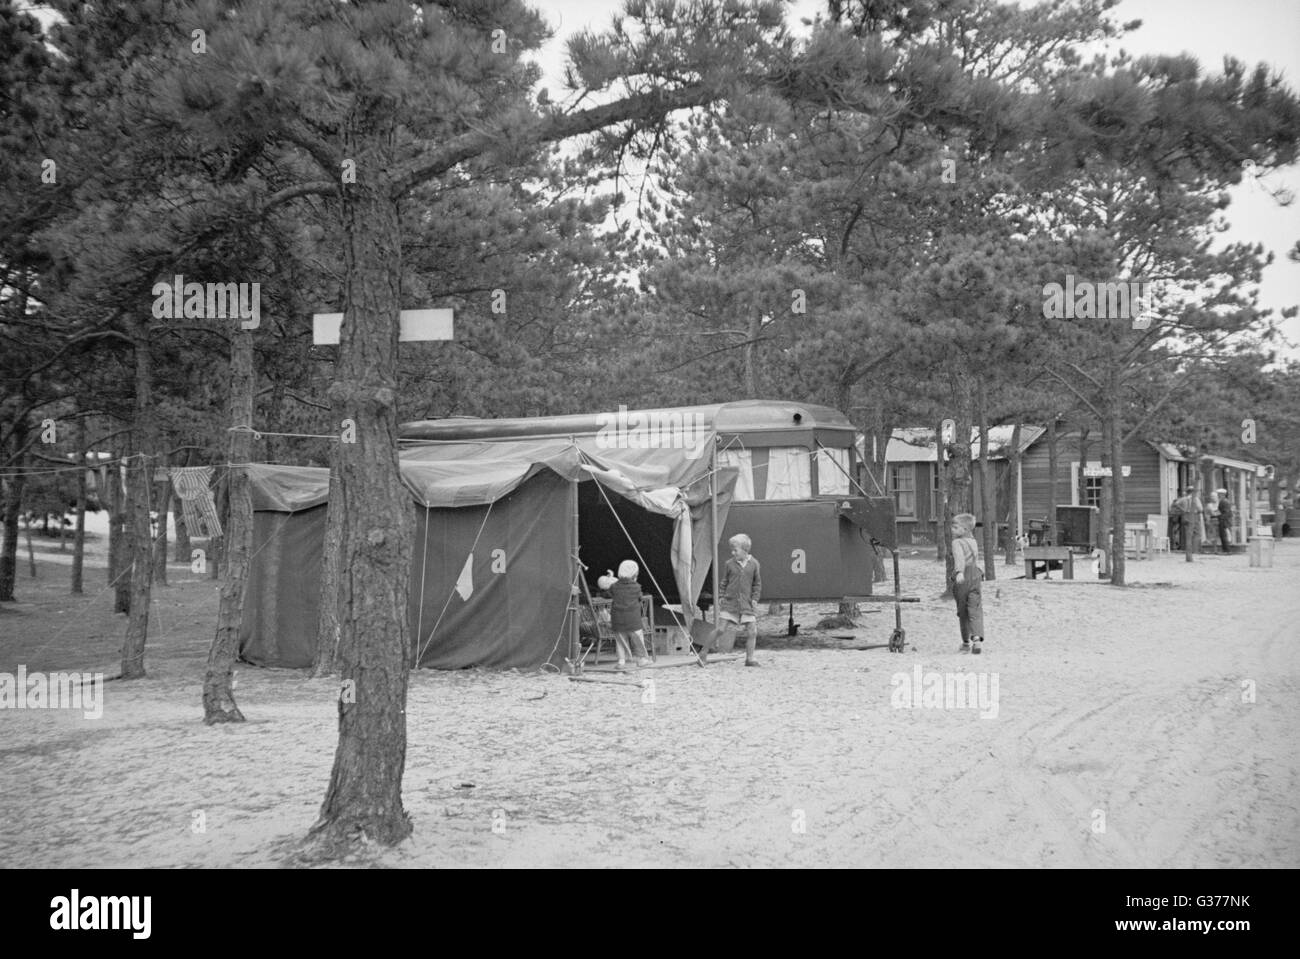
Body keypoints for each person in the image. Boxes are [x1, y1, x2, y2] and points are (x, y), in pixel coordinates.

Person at [717, 533, 762, 667]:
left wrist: (755, 598)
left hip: (747, 603)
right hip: (731, 602)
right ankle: (706, 650)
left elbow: (757, 583)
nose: (732, 552)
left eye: (735, 549)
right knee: (721, 629)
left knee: (752, 631)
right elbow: (724, 581)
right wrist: (721, 595)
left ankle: (750, 658)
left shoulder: (754, 564)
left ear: (744, 549)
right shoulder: (729, 564)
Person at [602, 561, 652, 669]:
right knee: (638, 639)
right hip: (633, 620)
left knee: (620, 641)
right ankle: (641, 659)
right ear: (634, 574)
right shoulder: (637, 587)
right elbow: (640, 597)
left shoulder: (614, 586)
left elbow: (606, 595)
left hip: (617, 619)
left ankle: (621, 662)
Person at [950, 513, 985, 654]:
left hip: (963, 578)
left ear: (964, 529)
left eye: (955, 527)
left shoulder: (956, 542)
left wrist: (959, 572)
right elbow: (975, 559)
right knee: (975, 609)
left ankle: (965, 643)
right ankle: (976, 640)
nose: (952, 529)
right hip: (976, 576)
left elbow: (959, 559)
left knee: (963, 611)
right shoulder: (973, 541)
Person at [1172, 486, 1203, 561]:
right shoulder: (1195, 499)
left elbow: (1175, 504)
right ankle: (1195, 550)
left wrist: (1183, 510)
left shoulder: (1183, 499)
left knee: (1188, 533)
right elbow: (1200, 509)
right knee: (1197, 533)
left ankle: (1188, 550)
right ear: (1193, 492)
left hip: (1185, 516)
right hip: (1194, 516)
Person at [1216, 488, 1234, 553]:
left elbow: (1226, 512)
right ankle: (1225, 550)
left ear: (1223, 495)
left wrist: (1220, 517)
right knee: (1223, 535)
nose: (1218, 495)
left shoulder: (1224, 501)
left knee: (1224, 535)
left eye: (1219, 494)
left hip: (1224, 521)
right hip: (1224, 520)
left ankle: (1227, 550)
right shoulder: (1224, 501)